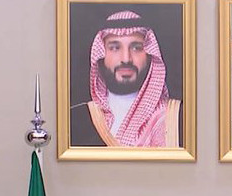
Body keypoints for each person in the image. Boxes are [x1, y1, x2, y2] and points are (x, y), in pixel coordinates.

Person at [70, 10, 182, 148]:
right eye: (114, 48)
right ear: (101, 55)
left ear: (150, 55)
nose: (126, 59)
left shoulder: (178, 117)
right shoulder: (77, 120)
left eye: (136, 48)